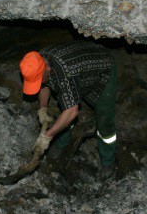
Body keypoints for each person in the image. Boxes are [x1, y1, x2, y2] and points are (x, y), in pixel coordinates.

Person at [19, 41, 117, 180]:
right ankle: (61, 143)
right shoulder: (39, 60)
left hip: (102, 69)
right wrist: (42, 108)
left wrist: (47, 136)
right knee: (65, 108)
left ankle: (108, 161)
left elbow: (72, 112)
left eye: (39, 80)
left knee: (104, 120)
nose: (39, 83)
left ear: (47, 69)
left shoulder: (65, 74)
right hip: (80, 72)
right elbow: (43, 84)